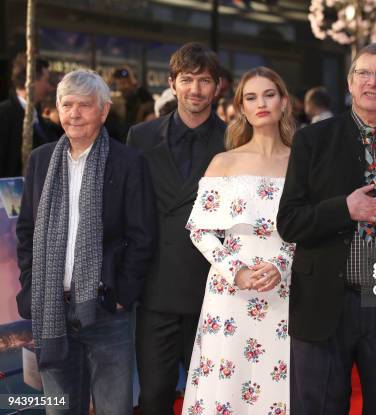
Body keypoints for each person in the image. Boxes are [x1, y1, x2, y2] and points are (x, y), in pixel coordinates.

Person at [277, 43, 376, 414]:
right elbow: (289, 221)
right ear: (349, 83)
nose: (372, 82)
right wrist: (344, 209)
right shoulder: (312, 140)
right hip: (325, 300)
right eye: (364, 73)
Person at [15, 69, 157, 414]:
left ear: (104, 111)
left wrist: (123, 295)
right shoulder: (41, 159)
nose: (74, 114)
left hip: (107, 310)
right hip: (52, 309)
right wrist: (32, 285)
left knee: (113, 408)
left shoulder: (127, 162)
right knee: (59, 408)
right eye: (67, 105)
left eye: (84, 105)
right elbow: (27, 231)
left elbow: (143, 236)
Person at [182, 66, 294, 414]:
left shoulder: (303, 162)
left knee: (278, 386)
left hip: (284, 289)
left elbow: (311, 226)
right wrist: (236, 270)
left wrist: (282, 263)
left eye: (269, 94)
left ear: (284, 102)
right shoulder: (224, 162)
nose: (261, 103)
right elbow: (200, 229)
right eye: (251, 97)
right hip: (230, 291)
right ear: (240, 108)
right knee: (226, 386)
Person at [126, 42, 226, 415]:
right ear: (172, 83)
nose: (195, 90)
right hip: (155, 290)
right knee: (153, 396)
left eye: (204, 81)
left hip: (214, 289)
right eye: (187, 80)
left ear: (218, 86)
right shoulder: (141, 136)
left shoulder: (235, 139)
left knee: (212, 398)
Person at [0, 53, 54, 178]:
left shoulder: (40, 119)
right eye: (46, 80)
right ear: (32, 80)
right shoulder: (4, 115)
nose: (49, 87)